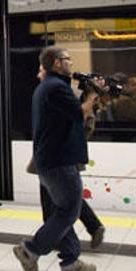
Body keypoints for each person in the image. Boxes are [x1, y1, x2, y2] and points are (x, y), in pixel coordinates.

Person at [13, 46, 96, 271]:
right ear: (57, 63)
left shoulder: (51, 87)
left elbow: (69, 114)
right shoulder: (55, 87)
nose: (71, 62)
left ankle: (70, 261)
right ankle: (30, 250)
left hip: (53, 160)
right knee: (69, 210)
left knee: (63, 211)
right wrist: (92, 96)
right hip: (59, 161)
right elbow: (79, 114)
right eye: (68, 59)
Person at [32, 65, 105, 250]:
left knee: (56, 206)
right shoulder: (60, 93)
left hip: (56, 158)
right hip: (58, 158)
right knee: (67, 199)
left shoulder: (60, 94)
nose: (39, 74)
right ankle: (90, 228)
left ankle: (61, 247)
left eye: (42, 70)